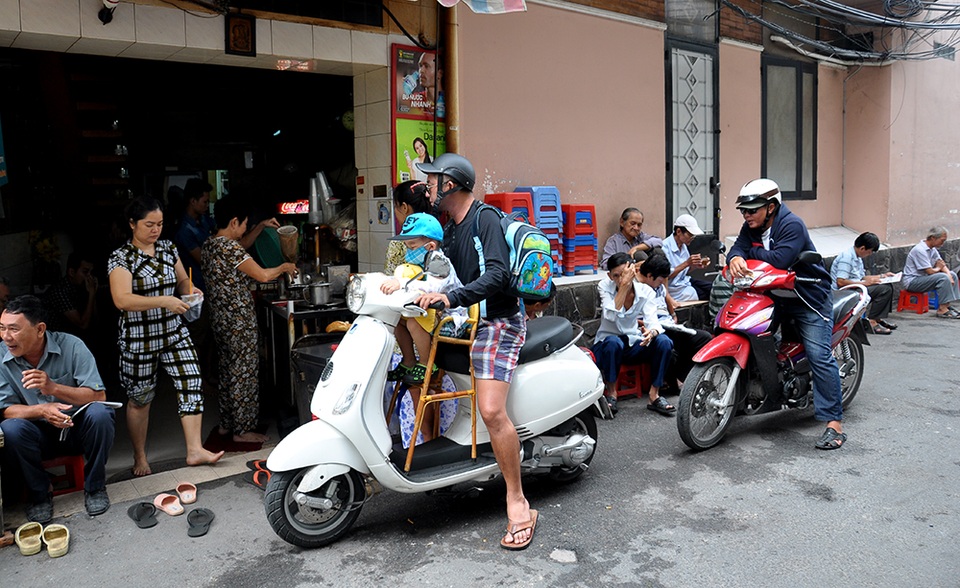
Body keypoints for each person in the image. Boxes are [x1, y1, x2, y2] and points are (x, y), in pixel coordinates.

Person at [413, 152, 537, 551]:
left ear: (450, 184)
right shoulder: (452, 229)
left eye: (433, 181)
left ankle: (518, 502)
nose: (428, 187)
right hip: (475, 322)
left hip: (500, 323)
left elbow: (498, 274)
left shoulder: (483, 219)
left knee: (491, 411)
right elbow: (446, 273)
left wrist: (451, 299)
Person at [107, 196, 224, 477]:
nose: (155, 230)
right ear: (133, 224)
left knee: (191, 381)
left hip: (173, 331)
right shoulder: (120, 258)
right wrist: (164, 301)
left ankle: (195, 450)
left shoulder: (168, 249)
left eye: (159, 224)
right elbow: (122, 300)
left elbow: (182, 279)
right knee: (140, 398)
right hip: (139, 338)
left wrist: (189, 290)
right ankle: (140, 456)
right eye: (149, 224)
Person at [727, 178, 847, 450]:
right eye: (743, 211)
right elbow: (737, 247)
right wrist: (735, 257)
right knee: (753, 336)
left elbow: (781, 259)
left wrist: (746, 254)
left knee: (819, 355)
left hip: (808, 296)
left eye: (752, 210)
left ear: (771, 207)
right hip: (774, 294)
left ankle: (833, 423)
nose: (746, 215)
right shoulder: (751, 226)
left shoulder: (792, 224)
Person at [0, 295, 115, 522]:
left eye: (13, 329)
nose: (6, 337)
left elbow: (98, 395)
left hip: (75, 428)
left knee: (101, 413)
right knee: (10, 428)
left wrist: (53, 387)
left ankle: (95, 488)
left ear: (40, 329)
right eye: (2, 328)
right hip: (37, 436)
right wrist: (43, 410)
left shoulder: (72, 346)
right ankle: (40, 495)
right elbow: (5, 409)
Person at [201, 195, 297, 445]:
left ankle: (226, 425)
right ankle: (242, 430)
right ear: (234, 222)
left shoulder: (212, 244)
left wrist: (260, 225)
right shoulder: (230, 248)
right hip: (238, 323)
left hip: (221, 321)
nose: (244, 230)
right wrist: (284, 267)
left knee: (228, 371)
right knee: (244, 373)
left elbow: (243, 244)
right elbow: (264, 275)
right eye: (244, 224)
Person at [379, 212, 468, 446]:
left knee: (411, 321)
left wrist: (402, 284)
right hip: (431, 314)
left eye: (412, 245)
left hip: (450, 318)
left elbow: (432, 286)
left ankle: (428, 364)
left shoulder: (438, 260)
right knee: (398, 319)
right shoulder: (416, 263)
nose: (409, 251)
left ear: (429, 245)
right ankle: (409, 360)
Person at [592, 252, 676, 418]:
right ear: (610, 276)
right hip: (607, 346)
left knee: (664, 341)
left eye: (624, 274)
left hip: (633, 342)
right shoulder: (604, 286)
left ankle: (654, 395)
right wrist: (623, 286)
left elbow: (653, 322)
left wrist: (651, 333)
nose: (620, 278)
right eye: (616, 275)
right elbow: (611, 315)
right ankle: (612, 394)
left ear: (632, 270)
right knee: (613, 342)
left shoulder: (646, 291)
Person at [635, 254, 713, 392]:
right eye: (661, 280)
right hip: (650, 329)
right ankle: (673, 382)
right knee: (670, 345)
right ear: (649, 275)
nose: (662, 282)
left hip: (667, 324)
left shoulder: (658, 285)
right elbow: (629, 316)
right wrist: (644, 324)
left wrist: (673, 315)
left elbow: (667, 298)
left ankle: (683, 376)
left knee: (704, 338)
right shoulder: (634, 288)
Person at [830, 231, 898, 334]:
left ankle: (877, 318)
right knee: (884, 290)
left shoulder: (857, 257)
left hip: (856, 286)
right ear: (862, 248)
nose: (869, 254)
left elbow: (861, 276)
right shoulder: (846, 257)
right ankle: (872, 321)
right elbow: (840, 281)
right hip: (845, 291)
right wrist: (865, 284)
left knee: (887, 285)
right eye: (870, 251)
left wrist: (882, 276)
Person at [902, 226, 960, 319]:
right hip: (913, 281)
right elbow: (930, 271)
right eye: (942, 240)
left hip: (924, 279)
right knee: (942, 277)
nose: (943, 243)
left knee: (952, 275)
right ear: (933, 238)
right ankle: (942, 309)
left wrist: (949, 276)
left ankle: (946, 305)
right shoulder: (920, 250)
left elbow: (942, 264)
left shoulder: (932, 249)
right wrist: (938, 268)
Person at [41, 250, 99, 340]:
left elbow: (95, 320)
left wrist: (93, 294)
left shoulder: (82, 288)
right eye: (85, 272)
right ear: (72, 272)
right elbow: (83, 324)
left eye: (91, 273)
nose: (89, 277)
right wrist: (91, 294)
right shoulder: (60, 291)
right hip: (57, 340)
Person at [386, 180, 432, 274]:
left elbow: (391, 276)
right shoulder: (437, 234)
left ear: (404, 207)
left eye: (395, 206)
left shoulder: (398, 243)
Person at [662, 214, 712, 301]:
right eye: (690, 235)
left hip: (685, 281)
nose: (692, 238)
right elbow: (665, 276)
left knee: (713, 288)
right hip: (674, 287)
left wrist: (695, 265)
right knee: (707, 295)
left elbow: (685, 271)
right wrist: (687, 263)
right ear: (678, 232)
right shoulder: (665, 248)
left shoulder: (684, 246)